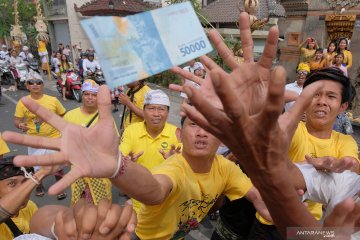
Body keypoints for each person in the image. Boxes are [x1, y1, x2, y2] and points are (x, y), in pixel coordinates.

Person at [3, 11, 360, 240]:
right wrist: (116, 166)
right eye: (193, 125)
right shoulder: (176, 165)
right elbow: (157, 189)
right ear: (181, 131)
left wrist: (321, 234)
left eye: (332, 97)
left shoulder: (226, 169)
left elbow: (276, 210)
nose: (202, 132)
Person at [120, 89, 180, 212]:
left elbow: (188, 168)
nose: (156, 113)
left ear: (168, 112)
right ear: (143, 111)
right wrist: (125, 162)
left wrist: (176, 161)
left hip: (167, 202)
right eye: (151, 108)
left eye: (161, 109)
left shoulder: (177, 133)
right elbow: (120, 154)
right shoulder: (132, 130)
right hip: (138, 198)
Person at [13, 72, 67, 199]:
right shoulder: (23, 102)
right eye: (31, 82)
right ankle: (39, 185)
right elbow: (17, 120)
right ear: (27, 86)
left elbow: (64, 115)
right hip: (34, 141)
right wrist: (20, 125)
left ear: (43, 85)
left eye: (38, 82)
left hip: (54, 138)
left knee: (57, 165)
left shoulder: (53, 100)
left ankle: (59, 187)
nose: (35, 85)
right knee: (36, 166)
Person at [63, 80, 113, 206]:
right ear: (82, 95)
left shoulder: (106, 118)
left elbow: (113, 144)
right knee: (79, 209)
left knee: (102, 209)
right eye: (87, 94)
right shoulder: (70, 116)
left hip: (100, 173)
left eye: (94, 95)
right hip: (78, 171)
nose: (90, 98)